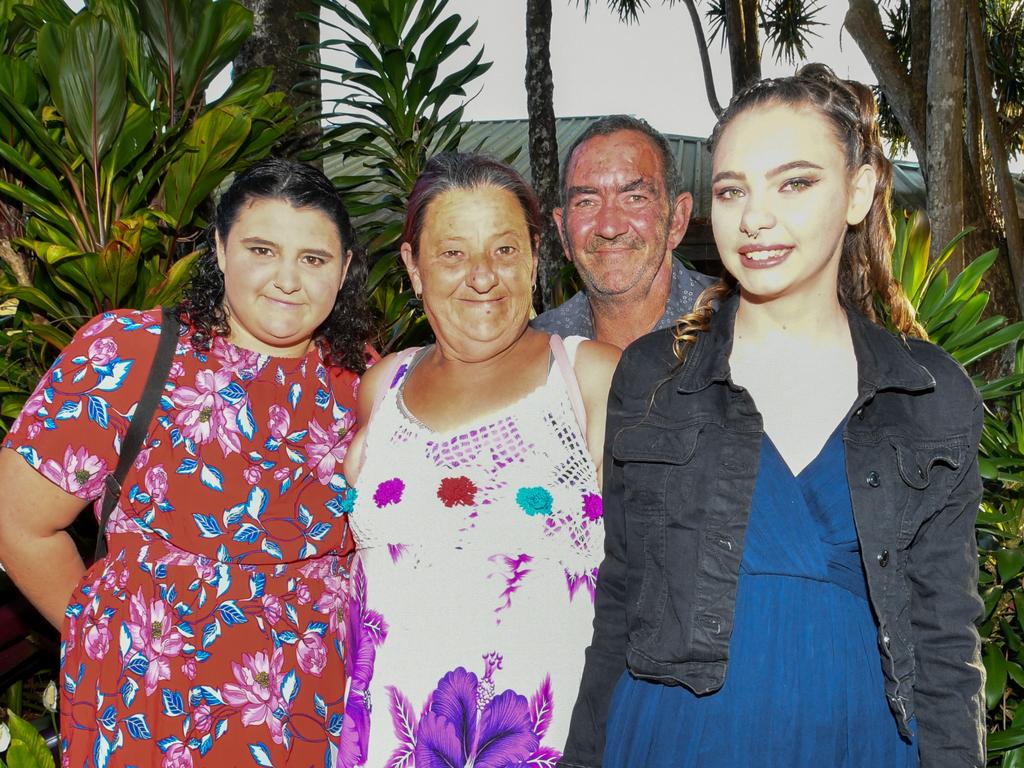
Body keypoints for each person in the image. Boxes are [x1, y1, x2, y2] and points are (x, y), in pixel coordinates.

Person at [560, 65, 984, 768]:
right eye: (733, 190)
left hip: (857, 738)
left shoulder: (928, 392)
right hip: (673, 735)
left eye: (794, 182)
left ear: (858, 192)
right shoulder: (651, 375)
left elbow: (946, 644)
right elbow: (622, 599)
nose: (755, 218)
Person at [0, 158, 373, 766]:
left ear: (345, 270)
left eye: (314, 259)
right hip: (146, 710)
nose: (287, 279)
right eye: (261, 249)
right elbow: (17, 522)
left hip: (312, 714)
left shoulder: (364, 381)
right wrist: (106, 636)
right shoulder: (127, 352)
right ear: (221, 252)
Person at [341, 152, 620, 766]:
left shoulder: (590, 379)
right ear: (413, 268)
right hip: (384, 745)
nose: (483, 276)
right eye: (452, 253)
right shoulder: (381, 386)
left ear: (534, 257)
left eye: (504, 250)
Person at [532, 115, 714, 349]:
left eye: (635, 198)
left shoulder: (738, 324)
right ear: (563, 232)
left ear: (676, 220)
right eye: (587, 202)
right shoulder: (536, 351)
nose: (609, 228)